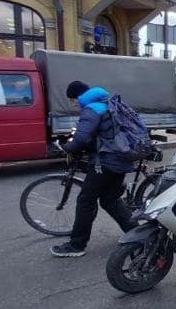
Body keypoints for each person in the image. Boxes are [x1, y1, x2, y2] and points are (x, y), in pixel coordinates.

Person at [50, 81, 136, 257]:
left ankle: (76, 245)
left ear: (79, 96)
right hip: (120, 160)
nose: (73, 104)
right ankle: (137, 234)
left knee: (85, 200)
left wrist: (66, 148)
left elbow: (81, 138)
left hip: (105, 163)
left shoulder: (91, 109)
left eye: (73, 100)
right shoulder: (109, 104)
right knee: (110, 199)